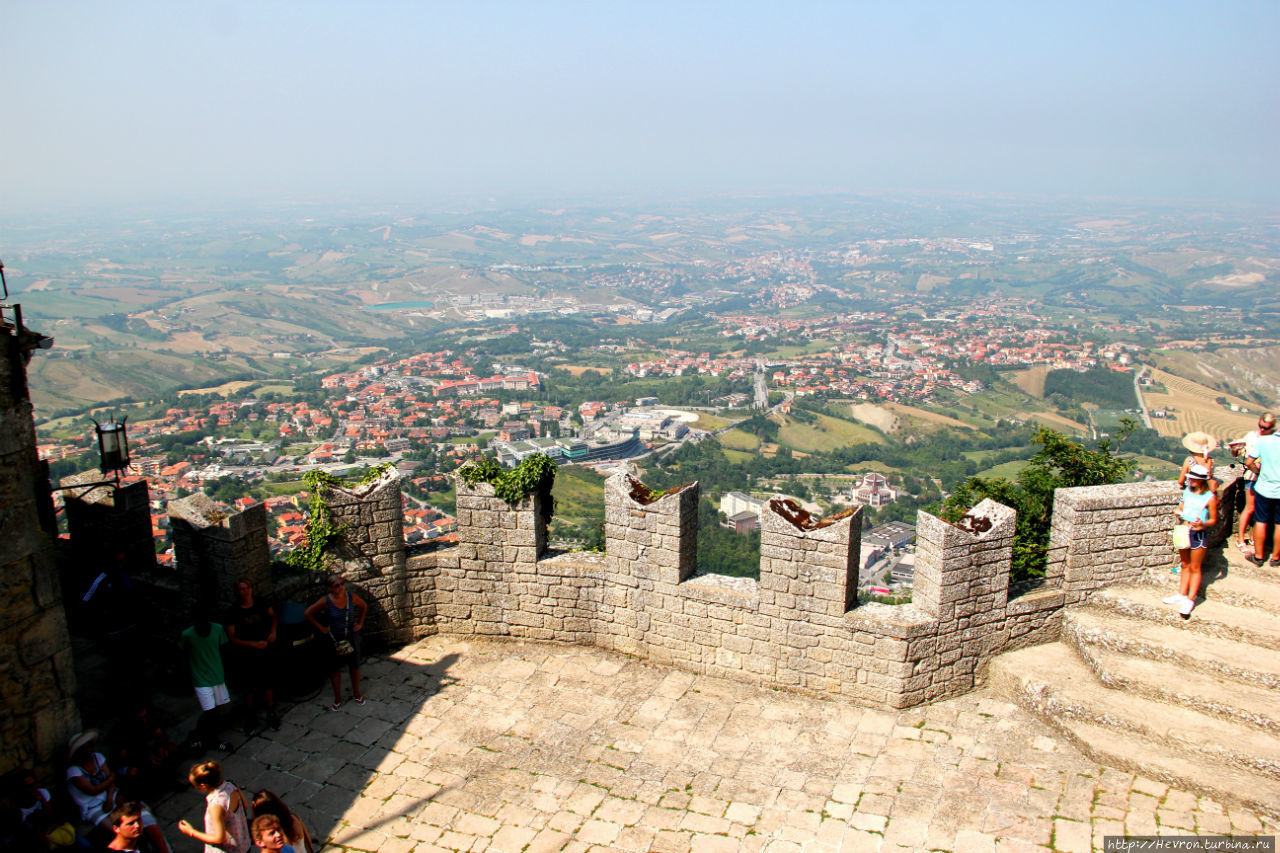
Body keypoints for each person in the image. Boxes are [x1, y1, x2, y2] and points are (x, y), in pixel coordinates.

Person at [66, 732, 168, 851]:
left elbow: (111, 781)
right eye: (84, 748)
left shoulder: (98, 757)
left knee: (145, 817)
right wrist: (110, 780)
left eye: (89, 746)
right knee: (121, 831)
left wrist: (109, 799)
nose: (88, 750)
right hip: (93, 807)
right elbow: (93, 790)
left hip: (110, 796)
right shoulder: (73, 771)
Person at [305, 573, 367, 711]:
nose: (340, 587)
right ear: (330, 588)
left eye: (342, 583)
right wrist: (321, 628)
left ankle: (356, 693)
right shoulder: (326, 601)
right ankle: (338, 698)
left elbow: (363, 606)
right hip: (334, 638)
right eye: (336, 585)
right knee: (335, 668)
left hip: (351, 636)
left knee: (354, 666)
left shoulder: (351, 597)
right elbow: (308, 613)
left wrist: (360, 623)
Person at [225, 580, 280, 735]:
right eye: (241, 589)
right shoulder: (233, 612)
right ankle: (251, 717)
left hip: (265, 651)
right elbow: (232, 638)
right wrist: (253, 644)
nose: (245, 591)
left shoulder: (261, 603)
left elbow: (273, 615)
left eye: (247, 588)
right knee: (249, 688)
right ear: (237, 592)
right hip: (247, 655)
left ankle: (271, 712)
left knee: (268, 683)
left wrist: (273, 632)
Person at [1166, 464, 1218, 618]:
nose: (1191, 481)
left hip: (1197, 533)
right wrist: (1179, 513)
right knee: (1185, 564)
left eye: (1194, 479)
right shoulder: (1188, 492)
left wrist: (1202, 523)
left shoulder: (1210, 498)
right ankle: (1182, 594)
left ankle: (1190, 599)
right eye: (1191, 478)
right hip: (1183, 529)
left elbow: (1213, 519)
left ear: (1201, 481)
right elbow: (1182, 507)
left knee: (1195, 567)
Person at [178, 615, 232, 752]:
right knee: (210, 710)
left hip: (217, 676)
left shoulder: (218, 629)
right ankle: (211, 739)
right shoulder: (187, 635)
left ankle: (201, 734)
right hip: (200, 679)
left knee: (216, 709)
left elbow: (224, 649)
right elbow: (180, 653)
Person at [177, 761, 251, 853]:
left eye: (194, 786)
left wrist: (191, 832)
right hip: (244, 845)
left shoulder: (216, 805)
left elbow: (219, 838)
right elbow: (245, 806)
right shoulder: (231, 786)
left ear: (203, 786)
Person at [1245, 412, 1280, 568]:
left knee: (1260, 521)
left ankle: (1259, 557)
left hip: (1264, 487)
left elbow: (1249, 461)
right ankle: (1276, 558)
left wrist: (1258, 472)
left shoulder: (1263, 441)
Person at [1229, 427, 1260, 554]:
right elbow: (1237, 453)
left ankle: (1254, 538)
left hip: (1267, 479)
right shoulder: (1253, 436)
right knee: (1250, 508)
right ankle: (1241, 539)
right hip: (1253, 477)